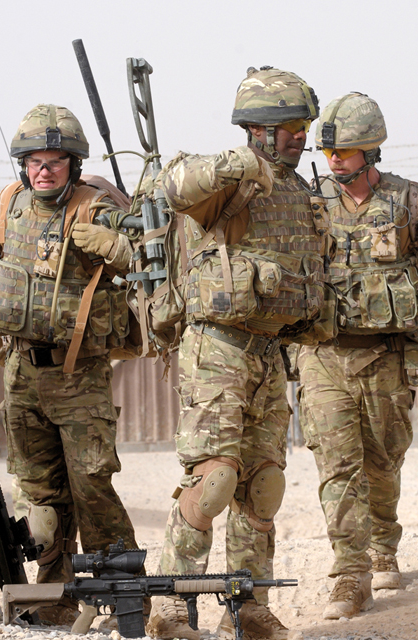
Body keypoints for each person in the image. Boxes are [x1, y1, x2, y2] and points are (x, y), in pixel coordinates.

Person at [0, 103, 145, 626]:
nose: (44, 171)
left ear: (74, 166)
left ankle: (125, 596)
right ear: (23, 166)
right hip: (22, 372)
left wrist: (118, 245)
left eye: (56, 161)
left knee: (92, 487)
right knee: (41, 497)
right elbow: (0, 255)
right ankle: (55, 597)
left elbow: (149, 251)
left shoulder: (93, 207)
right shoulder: (11, 203)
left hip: (79, 376)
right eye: (35, 161)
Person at [145, 66, 328, 640]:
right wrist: (234, 164)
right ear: (259, 129)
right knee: (215, 479)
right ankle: (171, 606)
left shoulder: (299, 192)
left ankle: (248, 607)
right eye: (291, 127)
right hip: (217, 347)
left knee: (261, 485)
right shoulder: (225, 182)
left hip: (270, 352)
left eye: (304, 126)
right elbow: (170, 186)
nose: (302, 136)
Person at [292, 92, 418, 620]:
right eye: (329, 152)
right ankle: (349, 576)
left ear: (371, 151)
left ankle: (382, 546)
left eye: (344, 151)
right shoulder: (309, 205)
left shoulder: (410, 203)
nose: (333, 160)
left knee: (383, 460)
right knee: (336, 463)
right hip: (322, 355)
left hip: (387, 358)